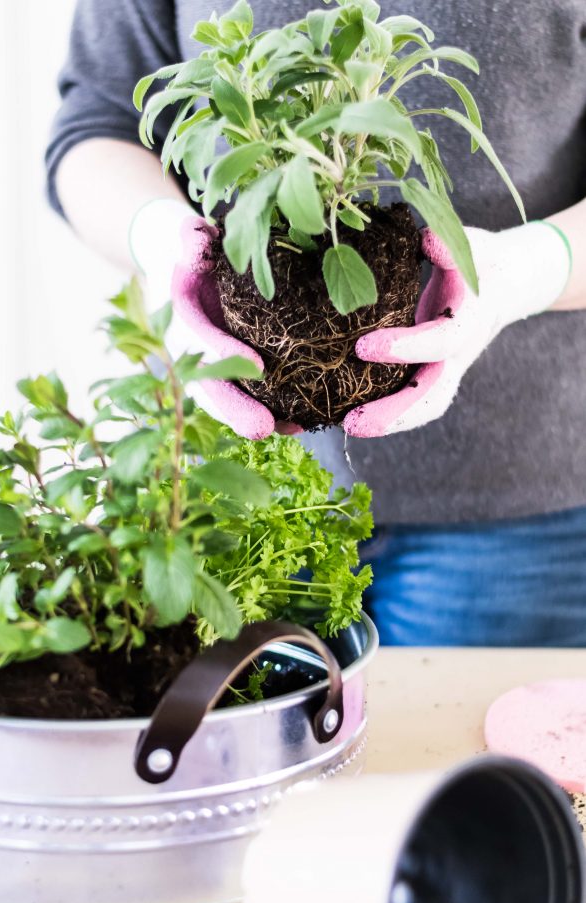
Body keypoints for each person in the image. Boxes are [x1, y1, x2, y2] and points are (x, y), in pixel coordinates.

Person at [46, 0, 586, 646]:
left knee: (467, 743)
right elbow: (101, 119)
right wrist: (160, 240)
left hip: (521, 490)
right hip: (233, 480)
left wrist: (523, 271)